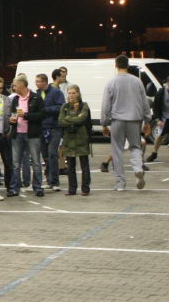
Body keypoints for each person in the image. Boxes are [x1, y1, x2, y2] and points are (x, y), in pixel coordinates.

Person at [101, 55, 152, 191]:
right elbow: (144, 102)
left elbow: (106, 105)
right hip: (134, 119)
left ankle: (120, 183)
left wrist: (104, 123)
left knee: (117, 150)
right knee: (135, 147)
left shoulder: (111, 82)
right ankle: (138, 168)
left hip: (117, 120)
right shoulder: (137, 81)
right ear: (128, 65)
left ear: (116, 65)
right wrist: (147, 120)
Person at [6, 77, 45, 198]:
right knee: (16, 163)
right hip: (17, 134)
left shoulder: (36, 98)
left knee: (36, 162)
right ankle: (14, 188)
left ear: (22, 85)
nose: (13, 88)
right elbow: (13, 114)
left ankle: (38, 187)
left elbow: (41, 115)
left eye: (15, 85)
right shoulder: (15, 99)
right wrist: (11, 120)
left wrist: (26, 115)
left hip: (32, 135)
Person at [59, 85, 92, 196]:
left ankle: (85, 189)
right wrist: (74, 120)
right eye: (69, 93)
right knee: (70, 167)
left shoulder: (84, 106)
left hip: (81, 138)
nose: (71, 95)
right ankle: (72, 189)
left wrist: (68, 118)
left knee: (84, 166)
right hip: (68, 139)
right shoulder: (64, 106)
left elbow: (82, 119)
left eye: (74, 93)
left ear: (78, 93)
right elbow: (60, 121)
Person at [35, 72, 64, 192]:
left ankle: (55, 182)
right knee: (45, 155)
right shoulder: (36, 94)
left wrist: (47, 109)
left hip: (54, 127)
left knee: (52, 153)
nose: (36, 84)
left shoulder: (56, 92)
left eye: (38, 81)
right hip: (42, 128)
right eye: (36, 81)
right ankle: (49, 180)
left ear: (45, 82)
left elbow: (61, 107)